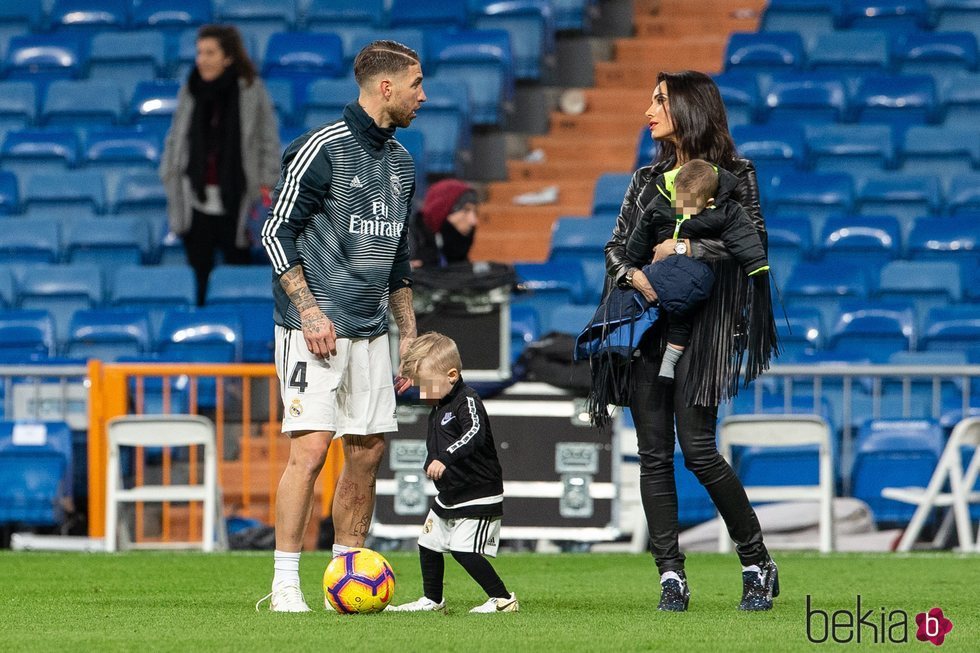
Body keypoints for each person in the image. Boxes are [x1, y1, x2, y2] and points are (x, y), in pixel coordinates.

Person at [255, 39, 426, 613]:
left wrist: (410, 337)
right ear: (386, 87)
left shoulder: (402, 163)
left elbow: (398, 260)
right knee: (309, 450)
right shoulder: (321, 148)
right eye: (416, 84)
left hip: (373, 329)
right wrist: (309, 311)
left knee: (368, 451)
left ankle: (345, 577)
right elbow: (274, 232)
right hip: (314, 329)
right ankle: (283, 586)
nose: (422, 97)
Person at [603, 70, 779, 612]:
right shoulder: (644, 178)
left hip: (708, 333)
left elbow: (752, 247)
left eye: (658, 100)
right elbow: (615, 251)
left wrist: (681, 256)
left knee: (700, 452)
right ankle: (670, 578)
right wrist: (641, 280)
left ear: (688, 106)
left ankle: (756, 562)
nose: (648, 110)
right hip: (647, 328)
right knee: (653, 456)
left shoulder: (736, 174)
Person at [387, 332, 518, 614]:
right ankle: (433, 600)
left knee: (463, 550)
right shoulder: (439, 404)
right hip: (449, 494)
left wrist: (445, 458)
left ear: (452, 374)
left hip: (478, 492)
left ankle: (503, 598)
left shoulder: (467, 400)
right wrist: (431, 461)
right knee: (428, 544)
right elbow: (437, 442)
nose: (422, 393)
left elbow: (475, 434)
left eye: (426, 385)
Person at [160, 24, 280, 306]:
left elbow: (267, 142)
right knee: (199, 273)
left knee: (237, 270)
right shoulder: (190, 89)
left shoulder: (251, 90)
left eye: (209, 53)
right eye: (200, 52)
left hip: (238, 196)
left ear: (228, 57)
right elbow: (176, 138)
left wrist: (266, 184)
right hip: (195, 197)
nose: (201, 59)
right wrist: (169, 171)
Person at [625, 158, 770, 384]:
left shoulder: (724, 213)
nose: (680, 206)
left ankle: (669, 361)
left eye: (688, 203)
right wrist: (631, 262)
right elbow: (641, 233)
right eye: (678, 199)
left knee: (682, 315)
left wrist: (756, 265)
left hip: (689, 277)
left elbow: (745, 238)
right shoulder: (660, 203)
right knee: (639, 306)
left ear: (708, 202)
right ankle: (631, 347)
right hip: (656, 273)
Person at [408, 178, 479, 268]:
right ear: (442, 211)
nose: (473, 221)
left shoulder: (454, 245)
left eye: (475, 212)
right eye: (466, 210)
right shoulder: (408, 241)